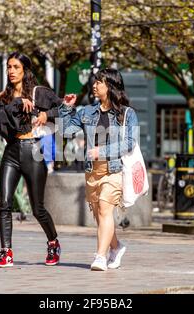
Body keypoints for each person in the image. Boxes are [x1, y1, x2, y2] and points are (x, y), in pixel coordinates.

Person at [59, 68, 139, 271]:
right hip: (92, 170)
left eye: (99, 82)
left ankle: (100, 257)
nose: (94, 85)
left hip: (114, 169)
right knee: (101, 216)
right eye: (94, 82)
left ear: (110, 86)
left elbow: (129, 143)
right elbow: (65, 131)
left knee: (105, 208)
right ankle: (116, 246)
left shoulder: (127, 114)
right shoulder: (86, 111)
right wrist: (66, 108)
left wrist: (102, 151)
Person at [0, 51, 62, 268]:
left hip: (33, 151)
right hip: (11, 151)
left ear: (25, 70)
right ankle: (6, 252)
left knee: (37, 208)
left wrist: (46, 115)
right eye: (9, 67)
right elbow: (1, 126)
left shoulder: (39, 93)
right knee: (5, 203)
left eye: (16, 67)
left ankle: (53, 242)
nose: (11, 71)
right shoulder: (1, 97)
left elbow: (64, 109)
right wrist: (16, 103)